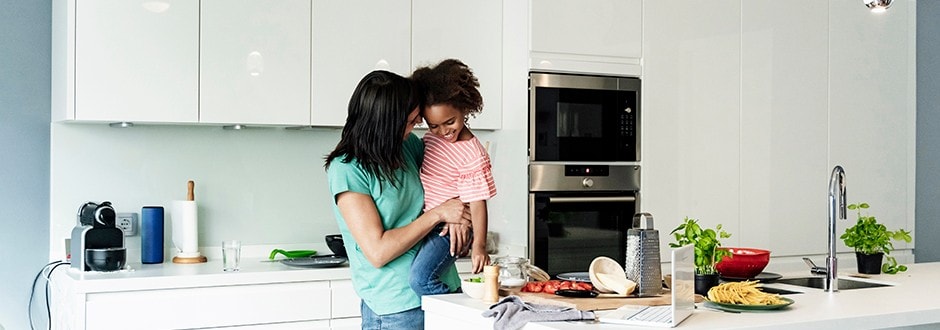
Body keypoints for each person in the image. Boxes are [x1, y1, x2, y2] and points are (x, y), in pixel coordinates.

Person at [324, 70, 472, 330]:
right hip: (397, 308)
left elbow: (453, 174)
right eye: (409, 122)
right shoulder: (347, 169)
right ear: (385, 124)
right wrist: (438, 214)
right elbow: (379, 252)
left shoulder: (408, 147)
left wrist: (460, 212)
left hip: (444, 290)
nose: (414, 127)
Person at [408, 59, 498, 296]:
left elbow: (478, 203)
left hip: (450, 232)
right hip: (429, 221)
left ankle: (456, 309)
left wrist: (479, 245)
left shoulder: (471, 153)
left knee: (419, 279)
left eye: (450, 122)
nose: (443, 131)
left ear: (465, 109)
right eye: (434, 125)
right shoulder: (431, 138)